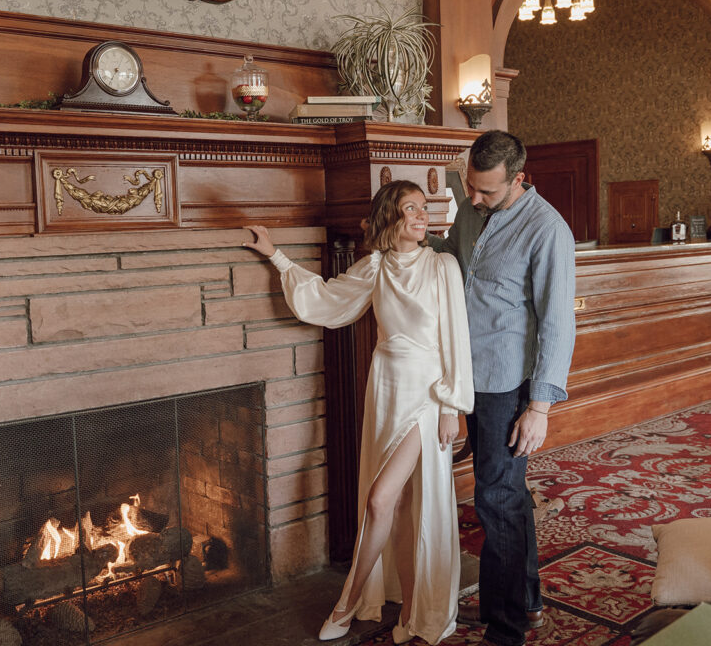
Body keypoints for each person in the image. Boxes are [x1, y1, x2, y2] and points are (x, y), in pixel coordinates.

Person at [242, 180, 474, 644]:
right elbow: (326, 298)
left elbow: (457, 337)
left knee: (380, 499)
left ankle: (347, 605)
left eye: (422, 208)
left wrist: (453, 405)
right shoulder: (377, 267)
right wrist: (277, 257)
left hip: (427, 394)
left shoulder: (442, 265)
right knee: (402, 504)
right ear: (391, 217)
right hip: (385, 387)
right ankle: (409, 607)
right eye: (409, 209)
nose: (420, 215)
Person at [426, 131, 576, 646]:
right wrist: (411, 237)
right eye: (470, 186)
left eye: (486, 192)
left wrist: (539, 407)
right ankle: (522, 605)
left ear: (518, 179)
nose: (473, 199)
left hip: (508, 385)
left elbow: (558, 324)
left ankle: (506, 628)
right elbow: (452, 256)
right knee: (507, 495)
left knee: (496, 497)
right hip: (464, 375)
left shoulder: (547, 230)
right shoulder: (470, 209)